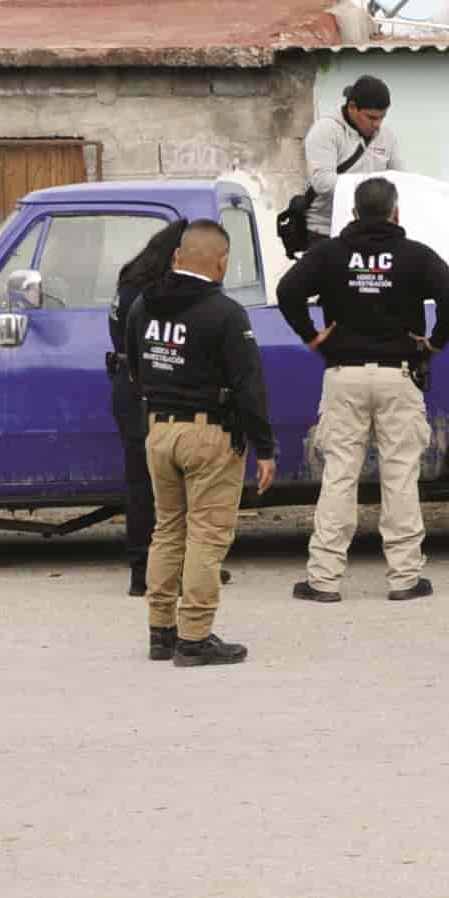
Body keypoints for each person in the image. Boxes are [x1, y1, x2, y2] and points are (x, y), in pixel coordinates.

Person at [280, 174, 449, 604]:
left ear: (353, 214)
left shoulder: (329, 254)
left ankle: (324, 578)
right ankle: (404, 577)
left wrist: (311, 334)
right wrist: (434, 344)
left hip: (343, 374)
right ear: (395, 212)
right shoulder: (415, 256)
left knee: (339, 475)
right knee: (400, 475)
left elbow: (289, 289)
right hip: (399, 375)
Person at [131, 221, 276, 666]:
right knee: (208, 537)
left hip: (159, 430)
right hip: (208, 434)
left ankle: (161, 631)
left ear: (177, 257)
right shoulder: (226, 313)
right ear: (221, 263)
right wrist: (265, 447)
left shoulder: (142, 305)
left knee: (167, 530)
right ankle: (194, 637)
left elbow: (135, 369)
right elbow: (249, 385)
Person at [108, 220, 187, 598]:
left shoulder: (129, 281)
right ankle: (147, 569)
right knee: (157, 485)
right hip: (149, 390)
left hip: (127, 386)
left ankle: (152, 567)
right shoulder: (155, 294)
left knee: (142, 482)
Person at [280, 74, 399, 254]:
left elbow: (399, 177)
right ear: (352, 107)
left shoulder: (387, 136)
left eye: (382, 118)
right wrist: (372, 189)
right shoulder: (326, 131)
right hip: (324, 230)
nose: (377, 125)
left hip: (368, 231)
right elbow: (322, 181)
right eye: (372, 118)